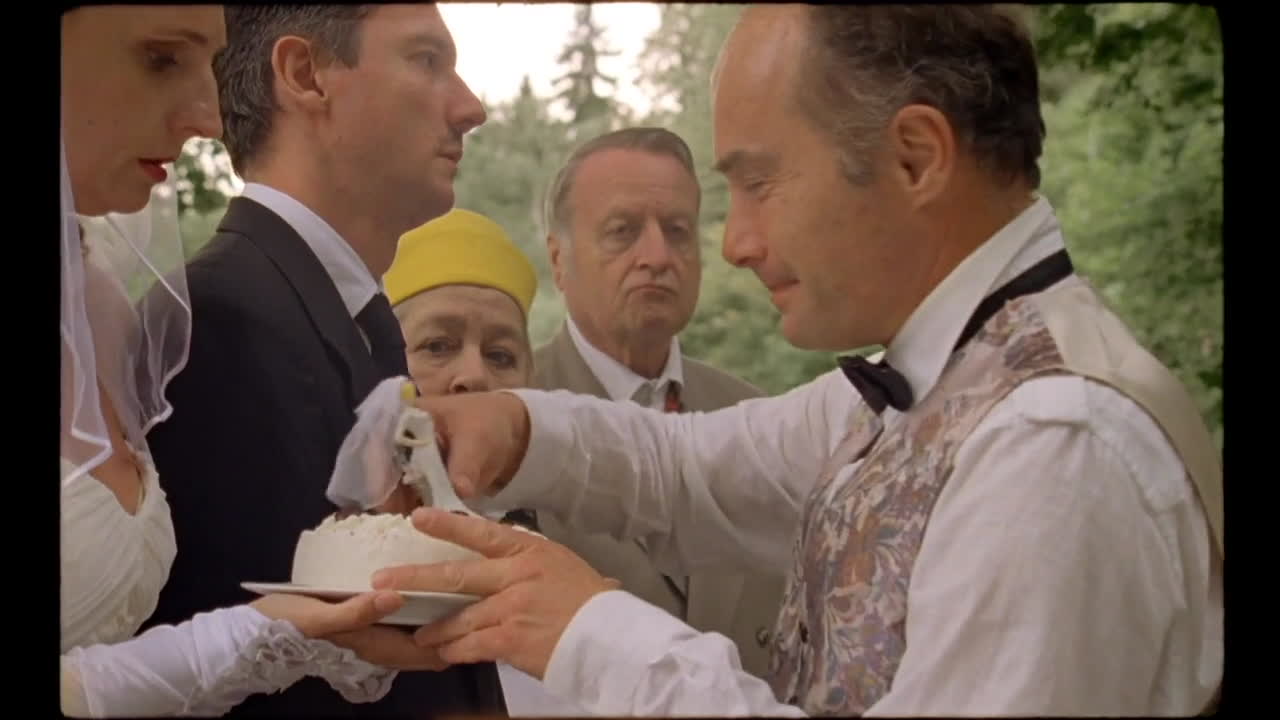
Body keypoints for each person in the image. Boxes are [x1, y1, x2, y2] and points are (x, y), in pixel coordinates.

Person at [370, 5, 1224, 717]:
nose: (734, 243)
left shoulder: (1054, 444)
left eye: (760, 183)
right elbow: (689, 469)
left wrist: (590, 633)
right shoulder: (923, 382)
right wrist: (516, 426)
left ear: (917, 157)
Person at [141, 5, 505, 717]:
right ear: (305, 74)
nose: (471, 108)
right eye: (426, 61)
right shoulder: (216, 325)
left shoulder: (357, 320)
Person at [59, 6, 409, 717]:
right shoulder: (227, 307)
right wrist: (242, 642)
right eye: (161, 58)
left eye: (211, 67)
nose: (209, 118)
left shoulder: (102, 307)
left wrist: (289, 628)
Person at [535, 126, 782, 677]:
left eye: (677, 231)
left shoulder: (754, 419)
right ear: (558, 260)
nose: (657, 256)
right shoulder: (512, 420)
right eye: (623, 232)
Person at [382, 208, 591, 717]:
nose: (473, 376)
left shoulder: (565, 557)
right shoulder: (328, 552)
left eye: (500, 355)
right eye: (438, 346)